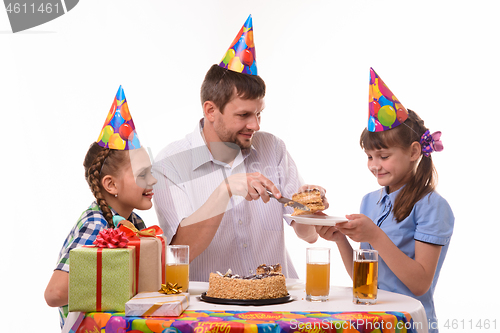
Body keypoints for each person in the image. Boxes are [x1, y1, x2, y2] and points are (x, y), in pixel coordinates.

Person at [153, 15, 327, 282]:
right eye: (244, 115)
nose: (255, 125)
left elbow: (309, 234)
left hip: (277, 303)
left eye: (259, 114)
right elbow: (181, 252)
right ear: (211, 110)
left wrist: (307, 210)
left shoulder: (273, 148)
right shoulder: (171, 164)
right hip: (211, 311)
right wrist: (225, 191)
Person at [316, 68, 454, 333]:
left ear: (414, 151)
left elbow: (420, 284)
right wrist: (339, 238)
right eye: (369, 157)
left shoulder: (433, 207)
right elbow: (364, 282)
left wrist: (375, 235)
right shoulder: (370, 201)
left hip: (407, 324)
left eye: (383, 156)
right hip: (372, 321)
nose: (375, 166)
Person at [44, 86, 157, 328]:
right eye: (142, 174)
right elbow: (54, 294)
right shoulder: (96, 224)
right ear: (111, 184)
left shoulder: (135, 223)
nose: (153, 180)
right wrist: (120, 282)